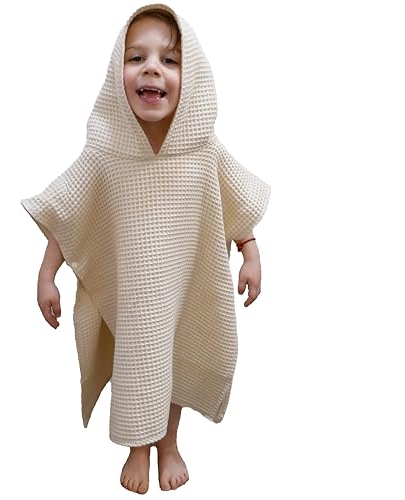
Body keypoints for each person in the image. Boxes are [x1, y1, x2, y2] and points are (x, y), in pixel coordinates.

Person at [21, 3, 271, 494]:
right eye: (136, 58)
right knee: (138, 364)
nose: (152, 68)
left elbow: (237, 203)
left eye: (170, 60)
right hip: (134, 297)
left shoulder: (203, 149)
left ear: (192, 77)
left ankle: (170, 442)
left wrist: (252, 253)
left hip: (187, 291)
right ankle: (139, 449)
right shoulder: (105, 152)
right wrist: (47, 274)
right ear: (117, 72)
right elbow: (70, 213)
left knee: (178, 362)